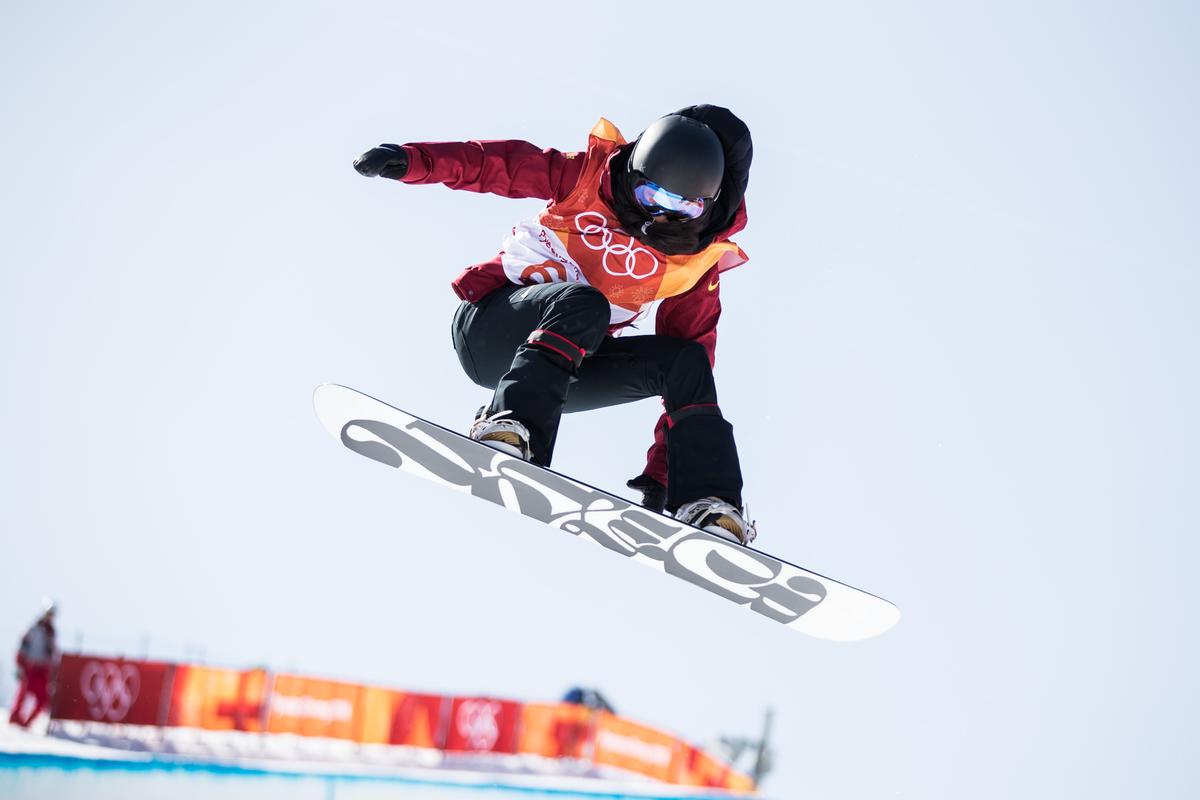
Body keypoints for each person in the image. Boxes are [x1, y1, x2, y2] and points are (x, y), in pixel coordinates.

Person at [354, 106, 757, 544]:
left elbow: (692, 358)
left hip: (565, 369)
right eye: (651, 198)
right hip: (493, 328)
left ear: (708, 207)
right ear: (634, 176)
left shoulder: (694, 262)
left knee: (688, 361)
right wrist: (416, 160)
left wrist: (664, 472)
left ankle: (708, 504)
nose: (663, 216)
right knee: (586, 303)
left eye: (683, 206)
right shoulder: (584, 178)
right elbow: (497, 165)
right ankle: (510, 423)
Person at [9, 599, 57, 728]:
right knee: (23, 694)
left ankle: (28, 722)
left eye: (52, 614)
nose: (50, 617)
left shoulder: (51, 632)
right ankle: (15, 718)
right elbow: (23, 645)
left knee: (42, 700)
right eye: (49, 613)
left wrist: (53, 670)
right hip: (30, 666)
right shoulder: (34, 628)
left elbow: (52, 653)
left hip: (43, 669)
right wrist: (20, 664)